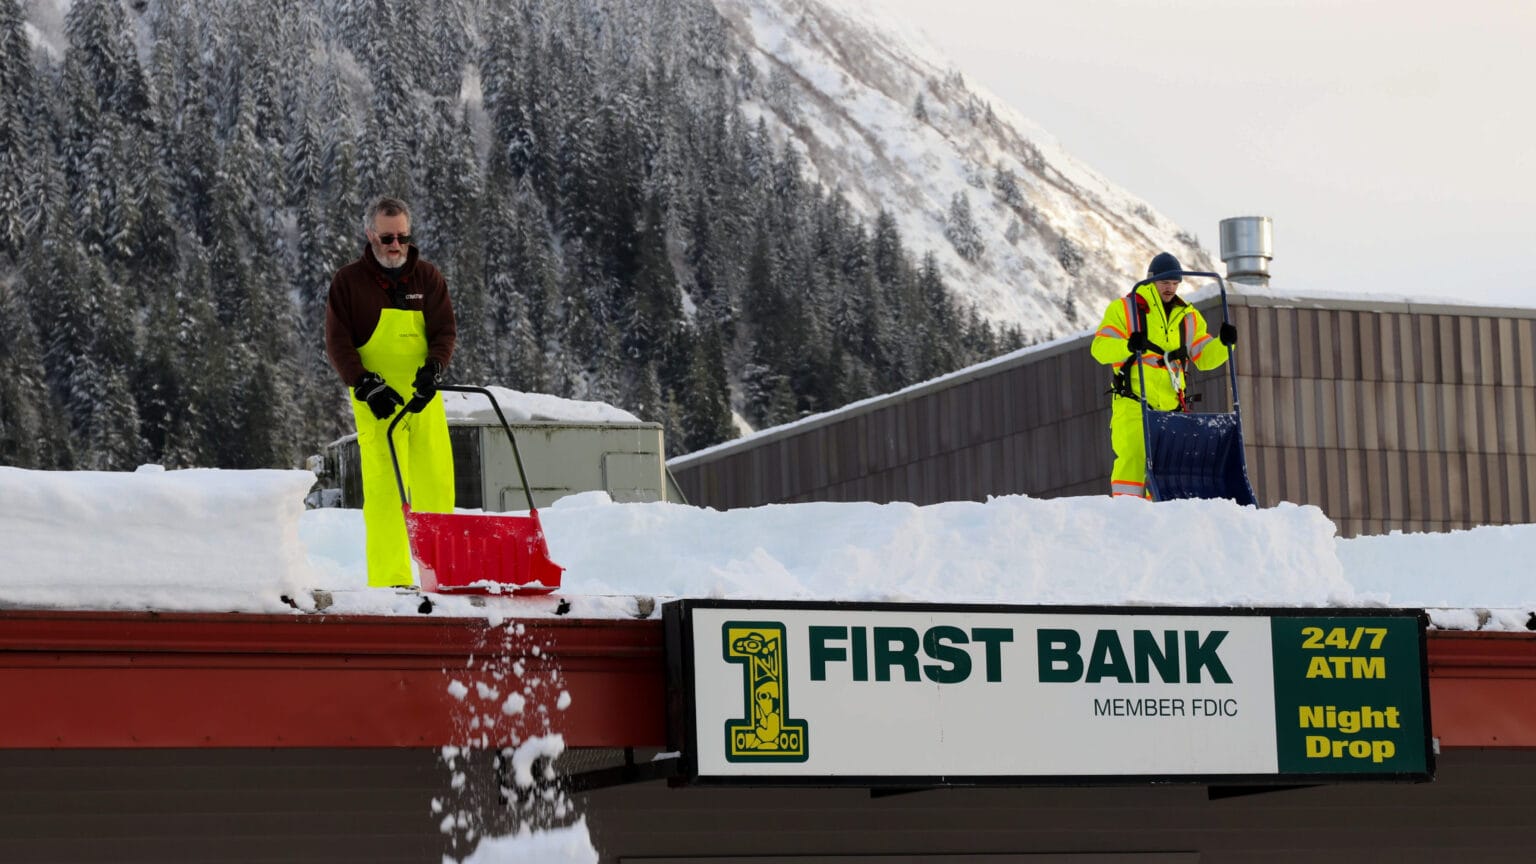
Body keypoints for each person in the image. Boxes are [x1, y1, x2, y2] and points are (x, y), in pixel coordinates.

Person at [326, 196, 457, 587]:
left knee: (436, 489)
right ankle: (391, 583)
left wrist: (434, 369)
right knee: (385, 498)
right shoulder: (348, 283)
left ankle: (444, 578)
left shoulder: (428, 278)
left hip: (423, 399)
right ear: (370, 235)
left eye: (402, 236)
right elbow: (338, 344)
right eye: (387, 238)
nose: (396, 245)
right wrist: (364, 384)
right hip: (378, 404)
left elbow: (444, 332)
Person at [1090, 252, 1237, 499]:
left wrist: (1224, 344)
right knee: (1135, 458)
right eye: (1165, 283)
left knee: (1167, 464)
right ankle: (1128, 512)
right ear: (1151, 281)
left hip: (1171, 406)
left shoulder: (1187, 317)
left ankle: (1159, 516)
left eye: (1175, 283)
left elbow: (1203, 356)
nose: (1170, 288)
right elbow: (1100, 348)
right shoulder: (1125, 310)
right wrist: (1128, 346)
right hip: (1134, 402)